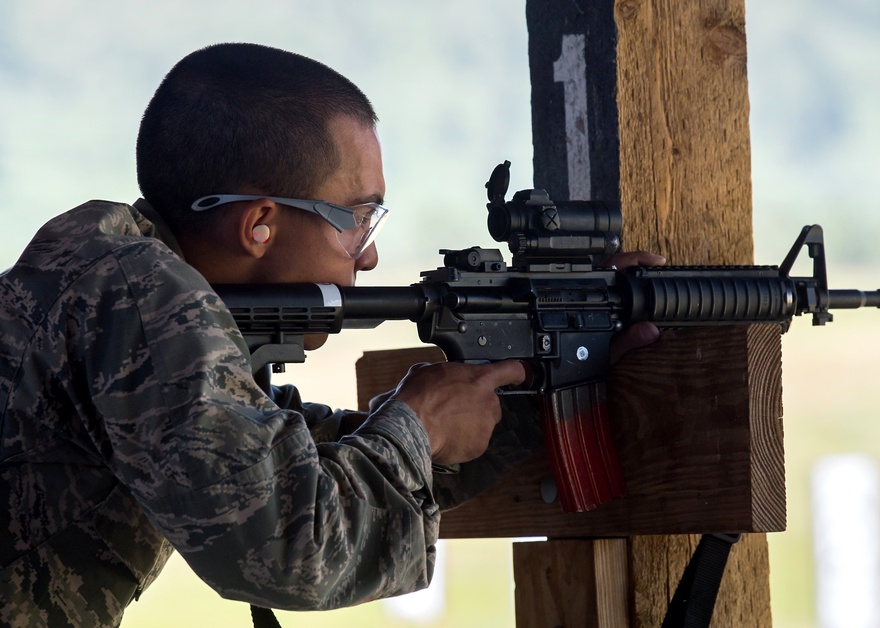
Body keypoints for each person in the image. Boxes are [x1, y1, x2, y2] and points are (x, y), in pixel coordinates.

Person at [0, 42, 663, 627]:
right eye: (357, 222)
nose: (367, 258)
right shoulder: (144, 300)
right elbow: (288, 548)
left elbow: (281, 459)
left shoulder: (114, 272)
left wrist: (528, 384)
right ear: (259, 224)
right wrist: (418, 426)